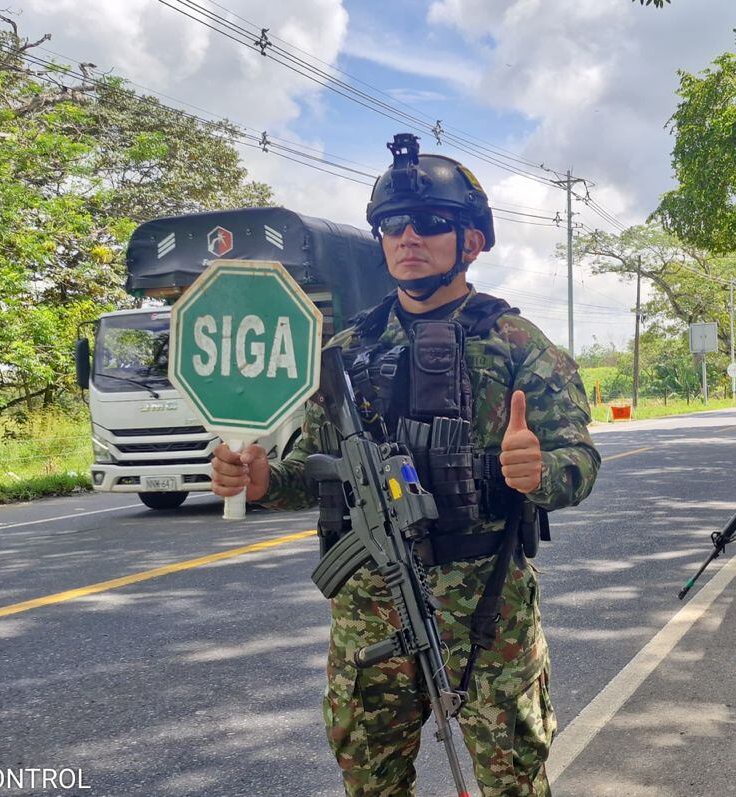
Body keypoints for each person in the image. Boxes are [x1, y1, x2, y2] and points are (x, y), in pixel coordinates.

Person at [210, 133, 599, 797]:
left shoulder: (515, 343)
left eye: (431, 224)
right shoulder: (344, 348)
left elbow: (579, 459)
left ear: (472, 241)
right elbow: (315, 463)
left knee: (514, 777)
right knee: (370, 778)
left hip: (485, 610)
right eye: (392, 224)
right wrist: (262, 480)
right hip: (368, 610)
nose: (408, 236)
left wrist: (541, 472)